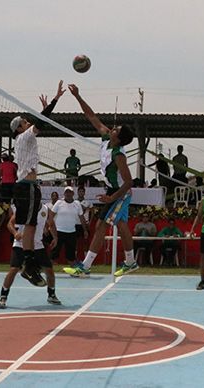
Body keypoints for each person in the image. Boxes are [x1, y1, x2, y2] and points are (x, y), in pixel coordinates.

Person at [63, 84, 138, 277]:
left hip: (119, 192)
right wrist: (78, 97)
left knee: (101, 226)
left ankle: (85, 267)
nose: (112, 128)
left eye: (116, 129)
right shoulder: (106, 137)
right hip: (113, 190)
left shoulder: (118, 155)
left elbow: (129, 182)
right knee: (119, 226)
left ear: (119, 138)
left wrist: (111, 198)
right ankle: (130, 262)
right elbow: (92, 117)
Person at [10, 80, 65, 286]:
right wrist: (55, 99)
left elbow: (39, 122)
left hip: (25, 185)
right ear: (19, 128)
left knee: (30, 225)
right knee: (30, 225)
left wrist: (43, 111)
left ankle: (29, 264)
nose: (27, 122)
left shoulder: (22, 139)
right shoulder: (24, 136)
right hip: (27, 186)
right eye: (24, 121)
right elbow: (41, 123)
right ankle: (29, 264)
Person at [0, 203, 60, 308]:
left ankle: (51, 295)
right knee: (14, 269)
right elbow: (10, 223)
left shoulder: (45, 209)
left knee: (49, 270)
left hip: (37, 245)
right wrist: (15, 233)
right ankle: (3, 296)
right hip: (21, 244)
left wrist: (55, 237)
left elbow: (51, 223)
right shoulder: (25, 208)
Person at [50, 187, 88, 266]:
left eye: (70, 192)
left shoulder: (77, 204)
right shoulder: (59, 203)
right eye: (66, 192)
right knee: (54, 253)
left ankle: (73, 270)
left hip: (71, 232)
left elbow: (82, 218)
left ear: (73, 194)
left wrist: (85, 230)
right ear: (64, 194)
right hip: (59, 231)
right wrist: (49, 227)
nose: (68, 194)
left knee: (71, 255)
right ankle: (49, 271)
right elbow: (51, 216)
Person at [75, 186, 93, 260]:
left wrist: (90, 221)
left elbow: (92, 212)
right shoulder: (74, 202)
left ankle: (86, 259)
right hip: (76, 224)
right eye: (80, 191)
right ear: (77, 192)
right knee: (75, 242)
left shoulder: (88, 202)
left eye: (82, 191)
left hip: (85, 224)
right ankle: (74, 258)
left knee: (85, 241)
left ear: (84, 193)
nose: (81, 193)